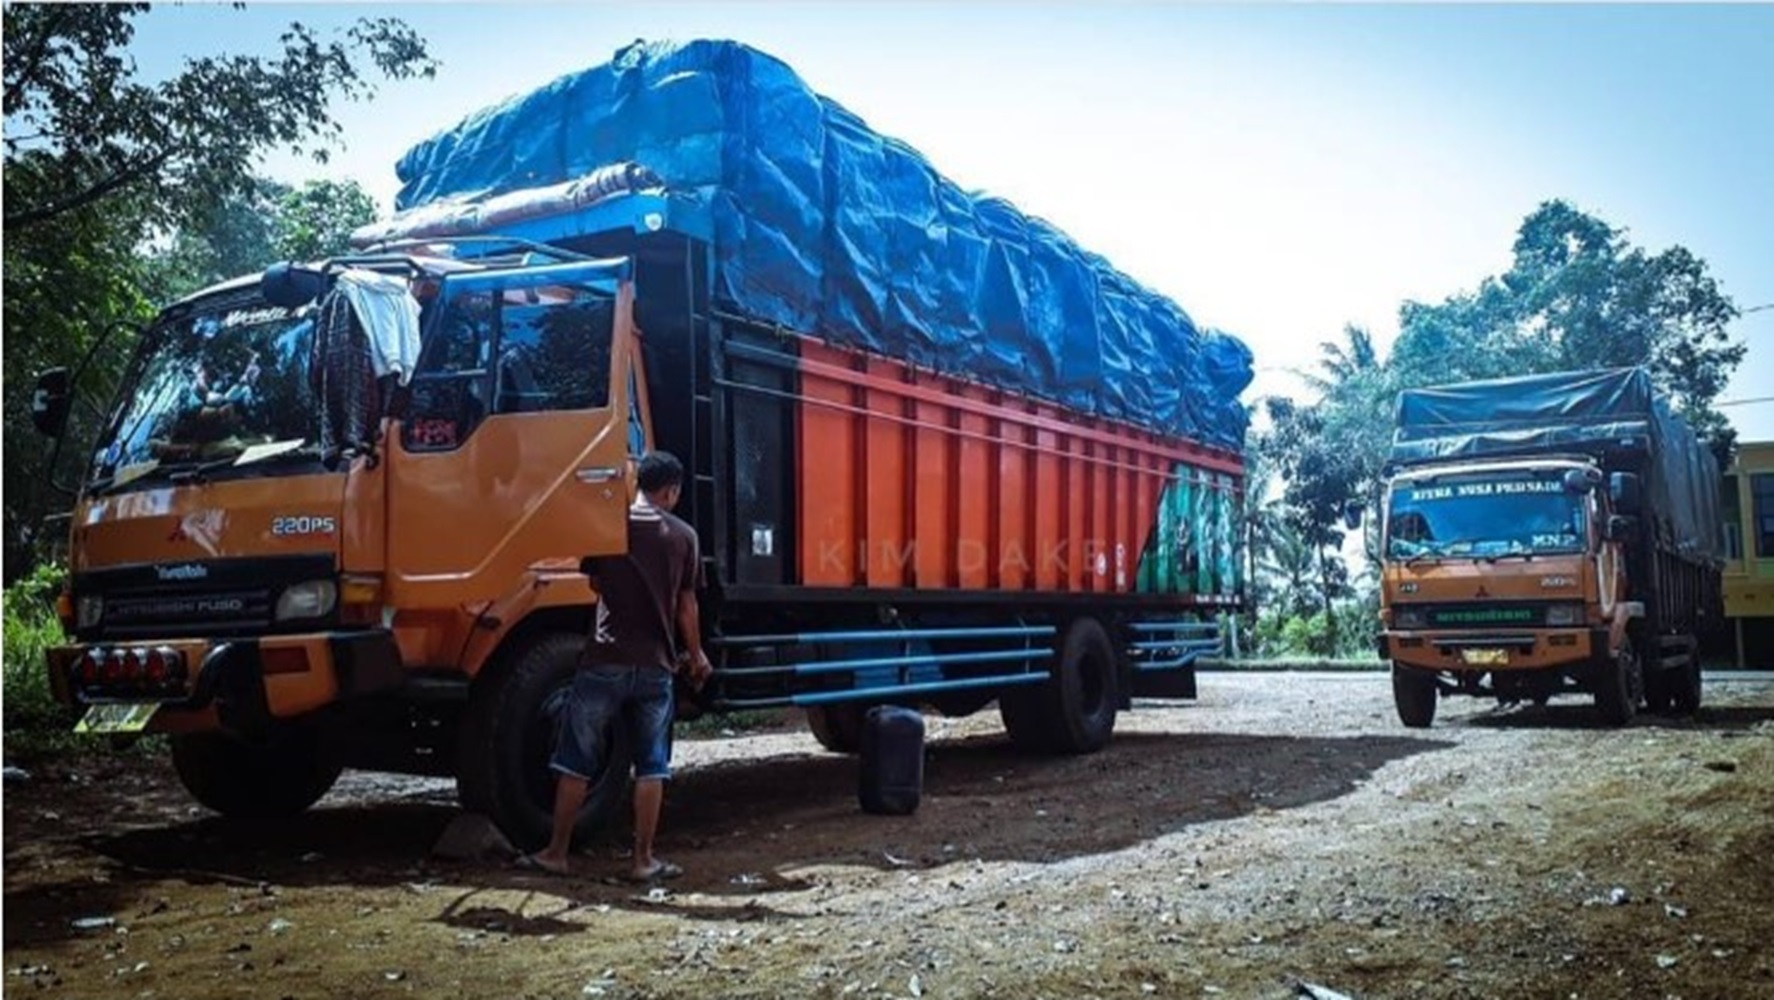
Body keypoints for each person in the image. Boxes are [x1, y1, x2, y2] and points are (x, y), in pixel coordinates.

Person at [520, 451, 712, 880]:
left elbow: (595, 582)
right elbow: (686, 605)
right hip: (656, 666)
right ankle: (643, 861)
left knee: (576, 759)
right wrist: (695, 654)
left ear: (638, 483)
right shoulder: (683, 537)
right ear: (672, 490)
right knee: (651, 765)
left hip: (604, 659)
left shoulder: (609, 528)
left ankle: (556, 852)